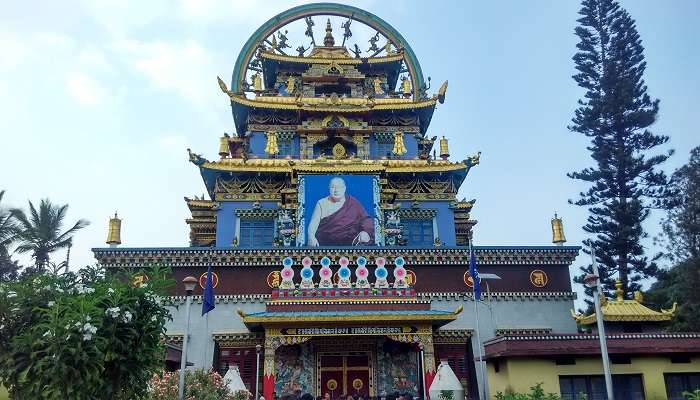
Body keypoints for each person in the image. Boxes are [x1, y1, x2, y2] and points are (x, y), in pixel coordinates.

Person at [307, 177, 374, 246]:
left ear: (344, 188)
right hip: (325, 244)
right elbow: (313, 223)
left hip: (350, 245)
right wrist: (311, 236)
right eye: (333, 187)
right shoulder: (321, 203)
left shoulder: (353, 202)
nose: (336, 190)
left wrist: (366, 232)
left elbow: (366, 219)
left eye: (339, 187)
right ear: (329, 188)